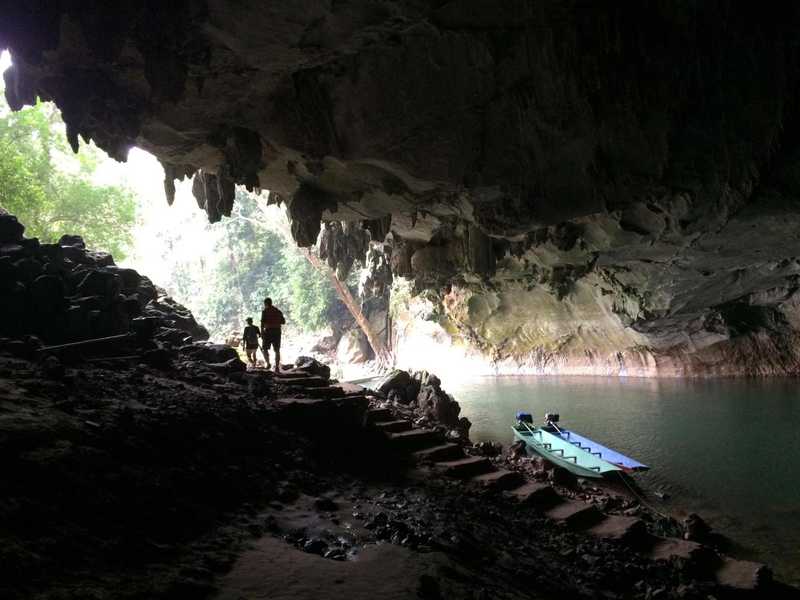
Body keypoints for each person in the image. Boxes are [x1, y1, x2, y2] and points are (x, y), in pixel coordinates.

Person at [260, 297, 285, 371]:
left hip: (268, 331)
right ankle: (277, 367)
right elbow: (283, 322)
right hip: (277, 331)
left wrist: (261, 332)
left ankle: (268, 363)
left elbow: (262, 323)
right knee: (277, 350)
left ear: (265, 303)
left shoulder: (265, 311)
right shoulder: (278, 311)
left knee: (264, 349)